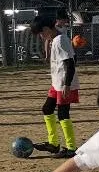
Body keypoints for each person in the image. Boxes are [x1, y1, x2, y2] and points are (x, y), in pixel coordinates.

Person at [30, 14, 79, 157]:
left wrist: (67, 85)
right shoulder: (55, 39)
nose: (41, 36)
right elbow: (73, 57)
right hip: (57, 83)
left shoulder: (60, 40)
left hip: (64, 83)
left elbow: (70, 63)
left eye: (40, 33)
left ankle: (71, 148)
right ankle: (53, 144)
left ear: (46, 29)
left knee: (63, 114)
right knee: (47, 109)